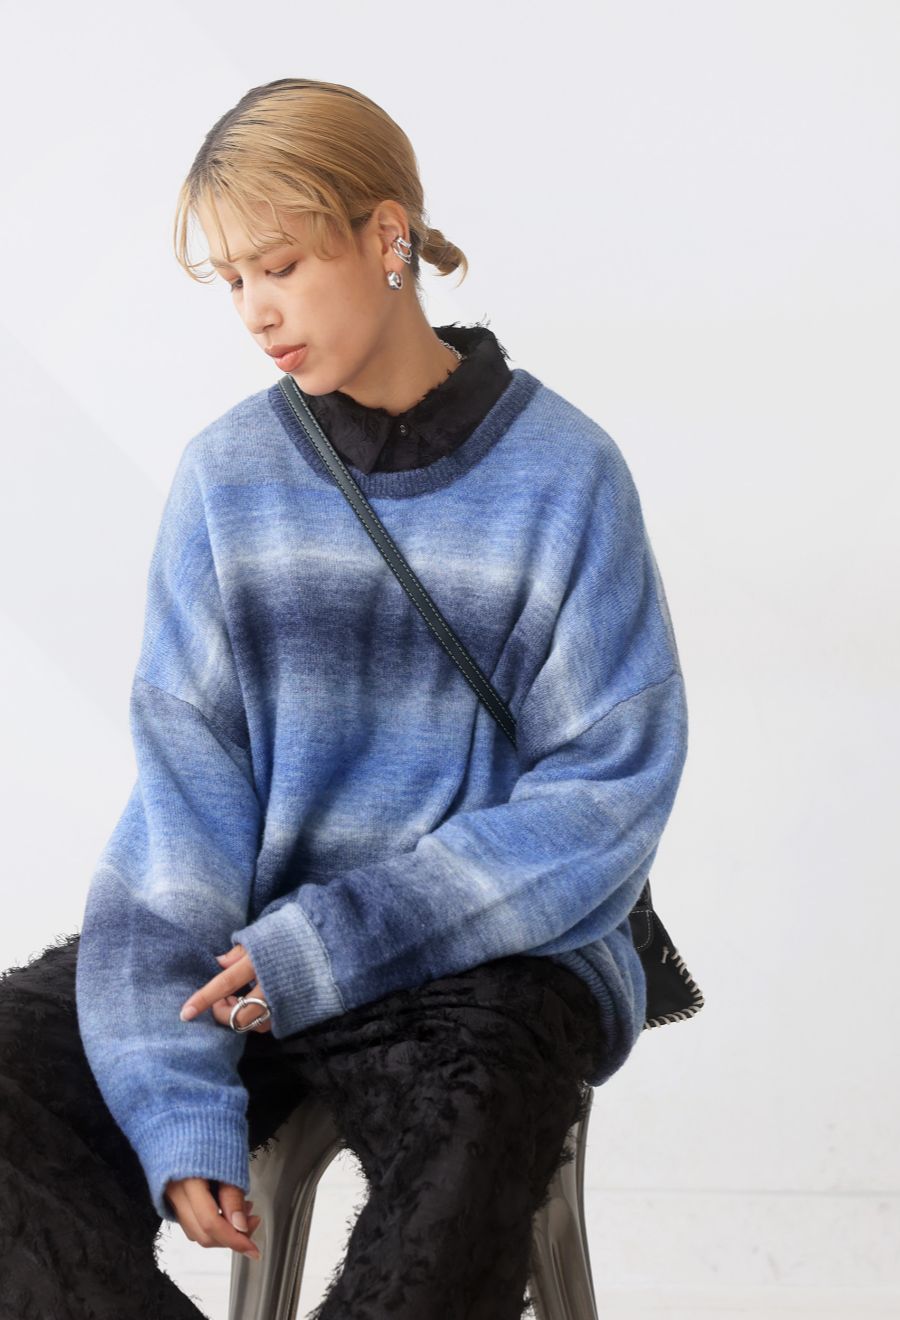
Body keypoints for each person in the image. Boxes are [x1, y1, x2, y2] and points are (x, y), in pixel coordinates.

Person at [0, 77, 689, 1319]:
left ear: (386, 238)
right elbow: (186, 795)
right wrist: (172, 1089)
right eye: (232, 282)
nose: (257, 311)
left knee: (464, 1171)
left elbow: (606, 792)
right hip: (250, 946)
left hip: (492, 951)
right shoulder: (227, 480)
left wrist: (341, 939)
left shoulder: (566, 476)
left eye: (280, 266)